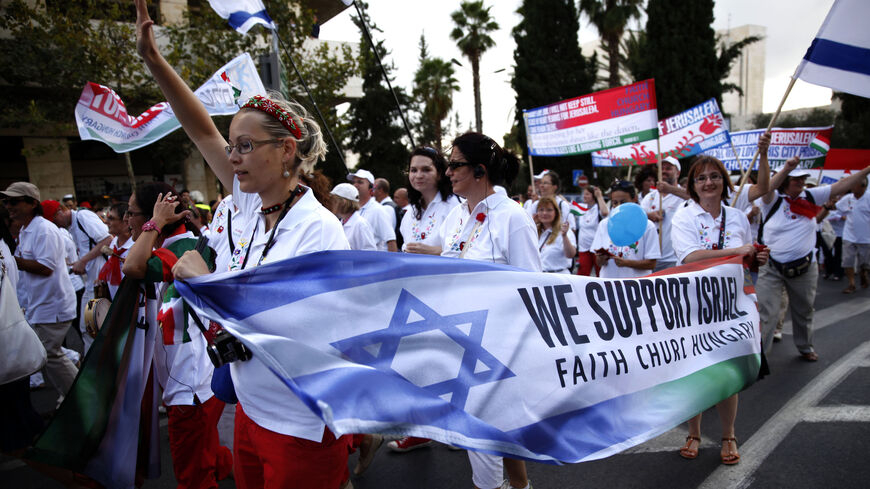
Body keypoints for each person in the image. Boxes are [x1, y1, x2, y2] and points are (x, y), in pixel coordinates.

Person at [135, 1, 353, 486]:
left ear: (286, 151)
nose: (232, 156)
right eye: (232, 145)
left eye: (245, 146)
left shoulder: (318, 229)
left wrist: (207, 284)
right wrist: (153, 61)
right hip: (251, 407)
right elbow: (200, 129)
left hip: (302, 420)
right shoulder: (247, 204)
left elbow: (308, 329)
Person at [439, 132, 538, 489]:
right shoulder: (454, 216)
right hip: (457, 337)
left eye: (454, 164)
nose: (447, 172)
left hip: (498, 346)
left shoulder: (513, 217)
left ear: (480, 170)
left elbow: (533, 288)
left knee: (479, 433)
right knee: (500, 428)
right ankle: (522, 487)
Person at [122, 183, 232, 488]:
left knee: (191, 478)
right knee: (205, 455)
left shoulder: (182, 248)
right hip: (194, 381)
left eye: (132, 213)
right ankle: (223, 466)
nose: (127, 219)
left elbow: (132, 266)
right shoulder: (173, 245)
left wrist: (155, 222)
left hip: (190, 388)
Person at [670, 155, 769, 466]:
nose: (708, 182)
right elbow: (689, 257)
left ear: (725, 182)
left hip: (733, 305)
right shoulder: (683, 216)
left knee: (728, 372)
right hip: (695, 305)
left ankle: (729, 434)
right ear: (693, 186)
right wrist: (735, 252)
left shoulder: (738, 217)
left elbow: (746, 257)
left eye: (714, 176)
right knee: (697, 371)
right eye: (701, 179)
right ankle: (694, 432)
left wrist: (755, 259)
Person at [757, 157, 870, 361]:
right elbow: (765, 186)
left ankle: (805, 346)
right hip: (772, 268)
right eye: (795, 179)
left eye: (803, 178)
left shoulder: (811, 196)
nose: (801, 182)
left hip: (805, 267)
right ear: (784, 181)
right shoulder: (771, 200)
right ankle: (760, 357)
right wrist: (766, 155)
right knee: (767, 312)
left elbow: (842, 185)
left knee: (804, 310)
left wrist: (867, 170)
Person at [2, 182, 78, 399]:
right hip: (40, 305)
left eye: (14, 201)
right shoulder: (27, 229)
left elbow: (45, 268)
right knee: (49, 354)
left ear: (32, 203)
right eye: (7, 201)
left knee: (49, 355)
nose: (9, 206)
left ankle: (79, 398)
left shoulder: (44, 229)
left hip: (52, 305)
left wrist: (10, 261)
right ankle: (72, 395)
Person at [43, 198, 112, 353]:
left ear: (60, 211)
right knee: (90, 327)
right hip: (92, 282)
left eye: (54, 220)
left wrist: (82, 261)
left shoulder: (83, 217)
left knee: (88, 326)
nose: (55, 224)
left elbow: (107, 239)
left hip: (99, 282)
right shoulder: (72, 227)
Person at [398, 146, 461, 257]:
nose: (418, 175)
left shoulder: (455, 207)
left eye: (426, 170)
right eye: (413, 170)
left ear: (440, 173)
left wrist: (432, 251)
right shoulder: (410, 212)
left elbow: (464, 250)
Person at [591, 181, 661, 278]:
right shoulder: (604, 224)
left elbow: (652, 263)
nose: (619, 206)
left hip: (635, 287)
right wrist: (602, 258)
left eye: (623, 202)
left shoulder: (648, 226)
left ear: (634, 199)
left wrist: (627, 263)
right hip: (609, 286)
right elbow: (598, 262)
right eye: (615, 203)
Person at [641, 156, 687, 271]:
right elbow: (638, 219)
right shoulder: (650, 197)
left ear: (678, 173)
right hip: (652, 258)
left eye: (668, 168)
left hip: (674, 258)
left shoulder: (683, 195)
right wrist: (648, 216)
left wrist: (670, 189)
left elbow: (696, 198)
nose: (664, 171)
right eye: (662, 169)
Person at [834, 176, 870, 293]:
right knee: (847, 260)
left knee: (864, 263)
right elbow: (837, 209)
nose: (852, 187)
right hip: (849, 235)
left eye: (854, 184)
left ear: (863, 186)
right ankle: (851, 283)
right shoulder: (848, 198)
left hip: (866, 237)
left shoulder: (868, 198)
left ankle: (863, 272)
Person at [349, 169, 398, 252]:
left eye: (360, 182)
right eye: (354, 182)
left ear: (371, 187)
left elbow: (391, 241)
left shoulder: (378, 210)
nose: (355, 185)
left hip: (373, 263)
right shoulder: (352, 209)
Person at [98, 202, 134, 300]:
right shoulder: (114, 242)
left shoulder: (137, 246)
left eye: (111, 218)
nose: (106, 222)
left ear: (126, 222)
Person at [330, 183, 378, 251]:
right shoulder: (341, 222)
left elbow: (370, 253)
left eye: (334, 200)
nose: (331, 203)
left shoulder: (361, 224)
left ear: (343, 202)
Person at [536, 197, 577, 273]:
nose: (544, 213)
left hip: (559, 277)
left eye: (549, 210)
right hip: (540, 277)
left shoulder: (564, 231)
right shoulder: (534, 231)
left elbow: (571, 254)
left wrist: (564, 236)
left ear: (556, 213)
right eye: (541, 210)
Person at [575, 186, 609, 276]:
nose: (584, 196)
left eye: (587, 194)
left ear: (593, 196)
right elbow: (566, 205)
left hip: (597, 248)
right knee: (582, 274)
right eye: (584, 194)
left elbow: (605, 213)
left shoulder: (598, 208)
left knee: (600, 274)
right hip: (583, 247)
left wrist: (599, 196)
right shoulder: (581, 207)